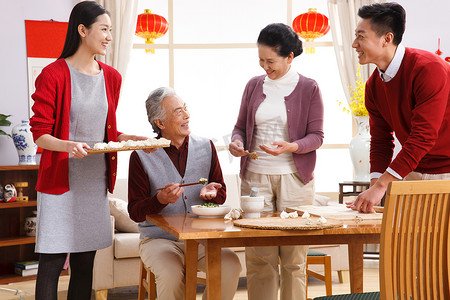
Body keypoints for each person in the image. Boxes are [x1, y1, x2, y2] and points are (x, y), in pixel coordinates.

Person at [29, 2, 147, 299]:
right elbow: (40, 134)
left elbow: (104, 132)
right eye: (104, 29)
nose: (109, 36)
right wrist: (69, 146)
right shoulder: (53, 74)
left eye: (110, 30)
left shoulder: (111, 77)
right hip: (60, 183)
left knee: (84, 265)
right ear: (82, 30)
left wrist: (125, 137)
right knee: (52, 263)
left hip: (94, 183)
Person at [229, 23, 324, 300]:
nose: (264, 67)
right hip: (255, 178)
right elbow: (240, 127)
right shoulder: (253, 85)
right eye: (260, 60)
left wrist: (291, 146)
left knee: (294, 260)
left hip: (295, 181)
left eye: (270, 61)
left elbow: (317, 136)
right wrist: (237, 142)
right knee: (259, 259)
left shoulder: (309, 88)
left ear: (289, 57)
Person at [127, 87, 241, 300]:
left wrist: (212, 193)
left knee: (231, 264)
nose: (187, 115)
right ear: (160, 123)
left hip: (201, 238)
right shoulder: (141, 155)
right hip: (159, 240)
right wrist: (159, 200)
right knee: (171, 274)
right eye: (178, 111)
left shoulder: (206, 146)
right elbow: (135, 211)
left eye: (185, 108)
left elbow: (221, 191)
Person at [348, 2, 450, 213]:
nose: (354, 44)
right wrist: (376, 184)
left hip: (447, 171)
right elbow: (381, 140)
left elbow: (424, 136)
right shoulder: (373, 86)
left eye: (361, 36)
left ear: (387, 38)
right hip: (413, 169)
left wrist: (383, 184)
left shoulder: (428, 69)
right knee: (409, 244)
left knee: (443, 245)